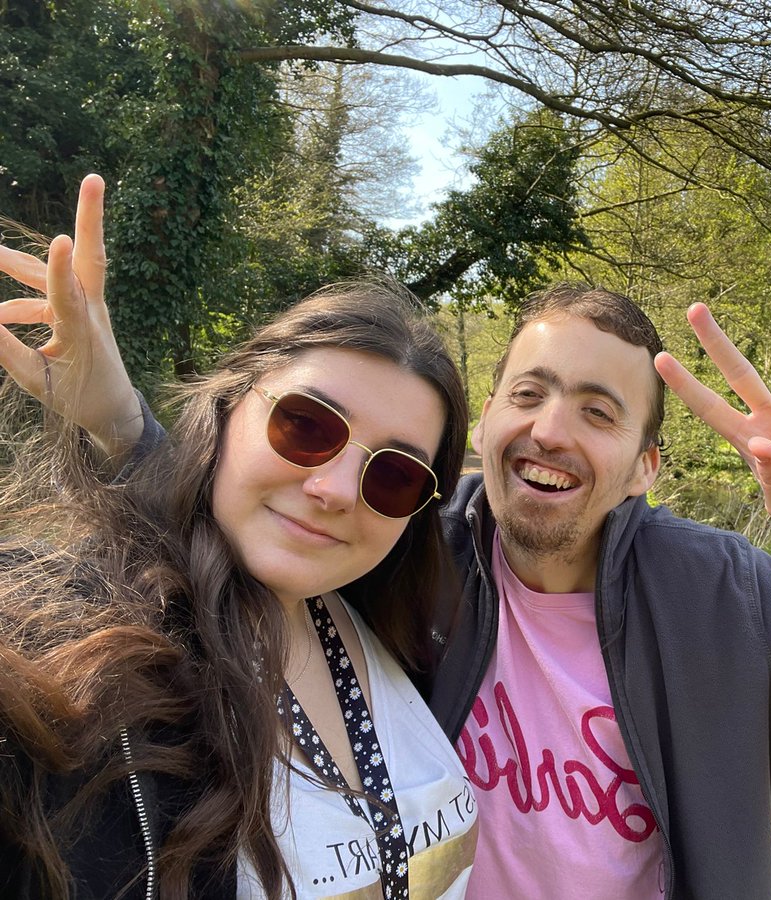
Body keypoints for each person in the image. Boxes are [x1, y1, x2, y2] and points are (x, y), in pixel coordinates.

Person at [5, 180, 771, 899]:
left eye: (598, 411)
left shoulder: (733, 600)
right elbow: (260, 515)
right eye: (528, 393)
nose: (549, 430)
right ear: (487, 421)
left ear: (646, 467)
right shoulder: (407, 539)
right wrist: (124, 424)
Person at [0, 176, 477, 899]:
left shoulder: (398, 626)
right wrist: (119, 421)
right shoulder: (83, 653)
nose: (335, 490)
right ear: (226, 409)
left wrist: (127, 430)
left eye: (394, 475)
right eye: (306, 426)